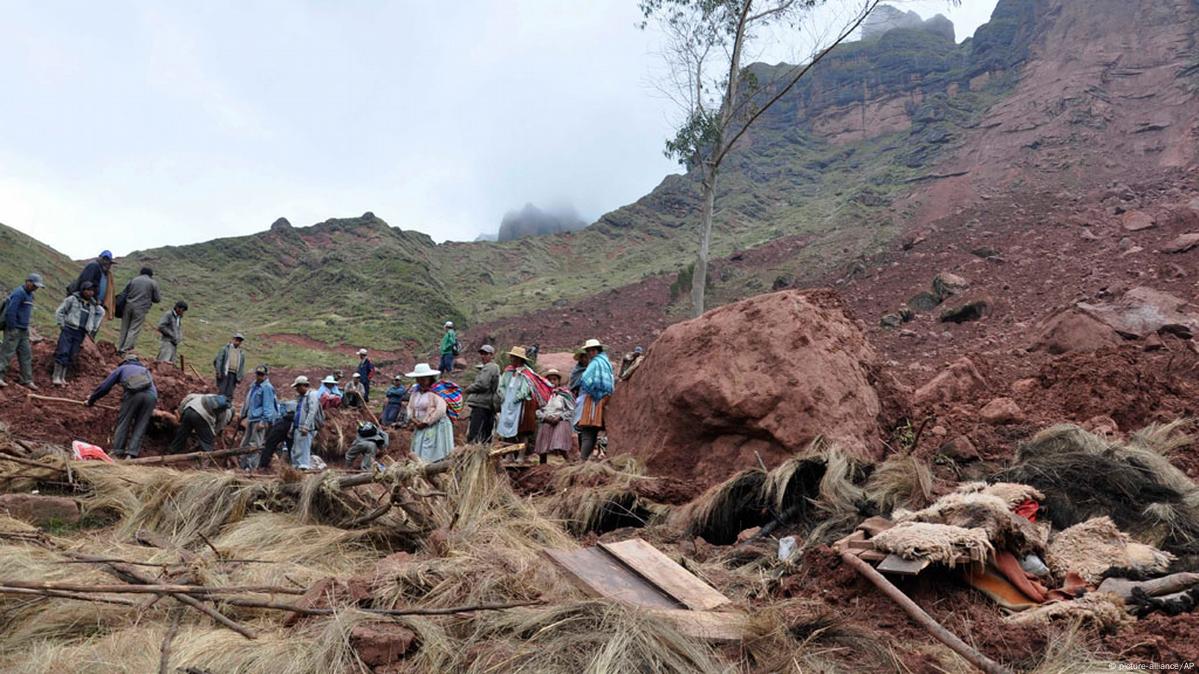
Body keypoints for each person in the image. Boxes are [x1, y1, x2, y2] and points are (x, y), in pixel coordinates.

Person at [86, 354, 157, 459]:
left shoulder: (122, 368)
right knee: (141, 424)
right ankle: (131, 453)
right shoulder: (145, 370)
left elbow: (105, 387)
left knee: (125, 421)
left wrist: (91, 400)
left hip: (134, 395)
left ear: (125, 362)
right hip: (152, 397)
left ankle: (117, 451)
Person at [496, 346, 551, 456]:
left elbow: (526, 389)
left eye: (514, 358)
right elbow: (502, 385)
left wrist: (516, 398)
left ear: (520, 359)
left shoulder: (526, 373)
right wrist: (502, 394)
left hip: (524, 406)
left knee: (523, 431)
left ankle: (521, 456)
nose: (512, 360)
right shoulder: (508, 372)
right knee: (508, 430)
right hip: (508, 405)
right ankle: (509, 455)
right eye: (511, 357)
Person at [51, 281, 104, 386]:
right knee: (63, 351)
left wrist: (93, 327)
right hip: (69, 329)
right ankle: (56, 376)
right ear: (83, 290)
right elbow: (60, 311)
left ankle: (63, 377)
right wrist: (62, 324)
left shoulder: (93, 305)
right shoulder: (73, 299)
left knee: (72, 353)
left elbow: (101, 312)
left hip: (81, 332)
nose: (90, 293)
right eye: (88, 290)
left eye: (92, 291)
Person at [0, 273, 46, 390]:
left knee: (26, 355)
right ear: (28, 282)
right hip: (14, 329)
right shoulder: (19, 293)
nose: (36, 288)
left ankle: (27, 380)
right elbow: (11, 311)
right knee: (7, 353)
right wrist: (12, 327)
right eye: (34, 285)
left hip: (24, 330)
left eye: (37, 287)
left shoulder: (30, 295)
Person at [576, 338, 614, 461]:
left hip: (593, 400)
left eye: (593, 350)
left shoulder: (595, 363)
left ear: (598, 350)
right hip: (605, 398)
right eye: (589, 351)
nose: (591, 353)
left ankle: (583, 459)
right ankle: (587, 458)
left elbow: (585, 379)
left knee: (587, 430)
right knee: (593, 431)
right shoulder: (606, 362)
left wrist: (592, 390)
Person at [406, 363, 453, 462]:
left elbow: (440, 409)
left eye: (423, 379)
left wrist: (426, 422)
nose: (420, 382)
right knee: (420, 451)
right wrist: (413, 419)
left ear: (429, 378)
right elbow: (410, 407)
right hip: (420, 426)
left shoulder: (436, 391)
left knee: (431, 452)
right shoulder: (415, 392)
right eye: (418, 379)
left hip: (435, 426)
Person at [533, 369, 576, 465]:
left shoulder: (564, 395)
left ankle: (569, 463)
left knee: (559, 442)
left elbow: (571, 410)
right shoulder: (543, 394)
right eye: (550, 379)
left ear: (558, 381)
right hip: (547, 420)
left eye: (554, 379)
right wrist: (544, 417)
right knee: (542, 447)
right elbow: (537, 410)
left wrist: (560, 417)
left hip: (560, 420)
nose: (552, 382)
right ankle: (542, 466)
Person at [116, 267, 161, 356]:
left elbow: (124, 292)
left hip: (128, 306)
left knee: (124, 327)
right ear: (150, 275)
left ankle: (120, 347)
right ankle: (125, 350)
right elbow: (157, 299)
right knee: (134, 329)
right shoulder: (152, 283)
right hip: (141, 308)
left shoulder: (133, 280)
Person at [464, 344, 500, 444]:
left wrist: (469, 389)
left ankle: (473, 455)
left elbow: (483, 384)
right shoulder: (492, 367)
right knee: (486, 434)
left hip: (481, 404)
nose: (483, 356)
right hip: (488, 404)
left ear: (492, 355)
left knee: (475, 433)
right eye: (481, 354)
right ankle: (484, 455)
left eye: (485, 354)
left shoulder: (490, 367)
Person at [240, 366, 279, 452]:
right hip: (251, 417)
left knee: (255, 445)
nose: (259, 376)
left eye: (262, 374)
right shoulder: (254, 386)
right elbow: (248, 401)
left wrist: (263, 421)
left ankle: (252, 465)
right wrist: (243, 414)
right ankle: (244, 464)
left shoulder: (267, 387)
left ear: (266, 375)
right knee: (245, 444)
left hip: (259, 419)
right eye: (258, 374)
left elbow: (268, 406)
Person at [70, 251, 117, 320]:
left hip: (93, 301)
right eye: (105, 259)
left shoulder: (104, 273)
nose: (107, 263)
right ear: (99, 258)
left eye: (109, 262)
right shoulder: (93, 266)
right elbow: (86, 284)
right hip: (85, 300)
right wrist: (92, 299)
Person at [291, 376, 322, 470]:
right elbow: (297, 413)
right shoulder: (301, 397)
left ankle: (303, 468)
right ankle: (296, 468)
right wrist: (292, 427)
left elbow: (312, 411)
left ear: (303, 386)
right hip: (298, 426)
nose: (296, 389)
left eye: (297, 387)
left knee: (303, 449)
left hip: (305, 428)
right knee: (296, 450)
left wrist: (306, 426)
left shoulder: (312, 395)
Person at [256, 400, 296, 470]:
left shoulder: (276, 408)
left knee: (269, 445)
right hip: (292, 424)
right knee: (291, 447)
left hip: (281, 425)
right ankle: (293, 466)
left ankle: (263, 466)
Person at [213, 333, 246, 399]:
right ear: (233, 339)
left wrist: (240, 376)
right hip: (225, 373)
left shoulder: (241, 353)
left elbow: (242, 366)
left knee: (230, 392)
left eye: (240, 341)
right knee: (222, 390)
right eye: (237, 340)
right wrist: (218, 372)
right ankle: (219, 406)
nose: (238, 342)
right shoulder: (225, 349)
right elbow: (218, 360)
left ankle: (227, 406)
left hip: (234, 375)